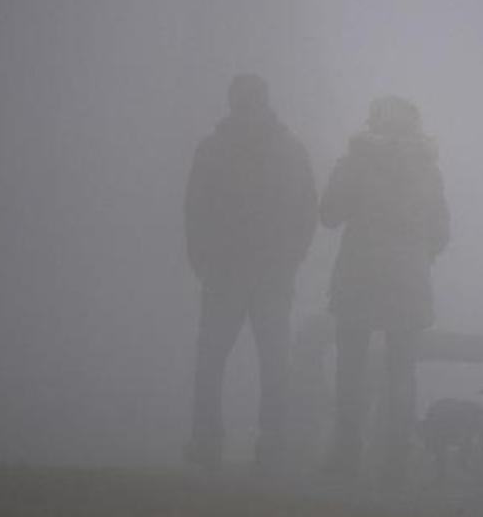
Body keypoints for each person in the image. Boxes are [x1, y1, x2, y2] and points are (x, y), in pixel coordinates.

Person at [184, 74, 317, 472]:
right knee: (273, 361)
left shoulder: (212, 149)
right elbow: (307, 210)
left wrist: (201, 258)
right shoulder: (290, 150)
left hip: (225, 270)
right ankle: (272, 444)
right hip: (272, 271)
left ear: (232, 101)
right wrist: (292, 257)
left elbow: (195, 209)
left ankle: (206, 442)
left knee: (211, 359)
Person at [319, 95, 449, 482]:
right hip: (408, 281)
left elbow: (329, 214)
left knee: (351, 370)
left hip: (358, 276)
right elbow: (441, 231)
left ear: (374, 123)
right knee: (401, 373)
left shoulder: (356, 162)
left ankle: (346, 455)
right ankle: (396, 461)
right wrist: (417, 257)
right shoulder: (427, 168)